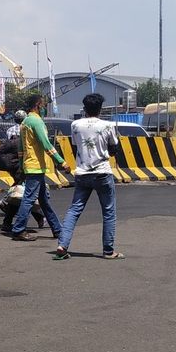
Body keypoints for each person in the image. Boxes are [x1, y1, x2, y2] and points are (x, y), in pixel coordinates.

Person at [53, 93, 123, 260]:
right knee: (108, 212)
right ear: (100, 109)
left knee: (74, 209)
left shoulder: (75, 125)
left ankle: (62, 245)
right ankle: (108, 251)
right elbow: (114, 149)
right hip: (102, 173)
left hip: (82, 172)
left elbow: (76, 146)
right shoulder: (107, 125)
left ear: (84, 109)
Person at [4, 93, 65, 242]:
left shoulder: (25, 122)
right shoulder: (36, 122)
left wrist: (21, 165)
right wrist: (60, 161)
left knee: (43, 201)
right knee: (29, 199)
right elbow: (46, 143)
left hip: (29, 165)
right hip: (35, 166)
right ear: (38, 105)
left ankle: (57, 229)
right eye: (43, 105)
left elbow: (20, 147)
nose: (44, 108)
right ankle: (19, 229)